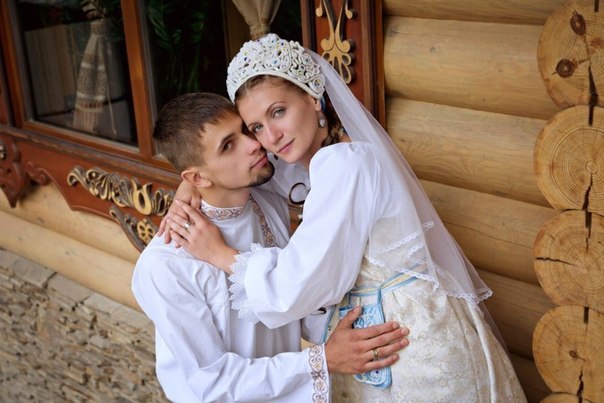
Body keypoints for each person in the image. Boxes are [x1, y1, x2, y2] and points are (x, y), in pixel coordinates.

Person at [164, 35, 527, 401]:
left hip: (412, 342)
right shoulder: (311, 161)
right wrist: (192, 184)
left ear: (312, 97)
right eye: (256, 127)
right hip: (381, 339)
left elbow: (295, 284)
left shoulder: (344, 163)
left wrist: (221, 255)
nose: (270, 137)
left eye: (278, 112)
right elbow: (241, 176)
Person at [132, 92, 409, 402]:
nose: (254, 145)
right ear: (197, 176)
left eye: (246, 130)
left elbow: (287, 304)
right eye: (228, 145)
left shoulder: (267, 201)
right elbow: (209, 383)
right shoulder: (166, 265)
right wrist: (323, 360)